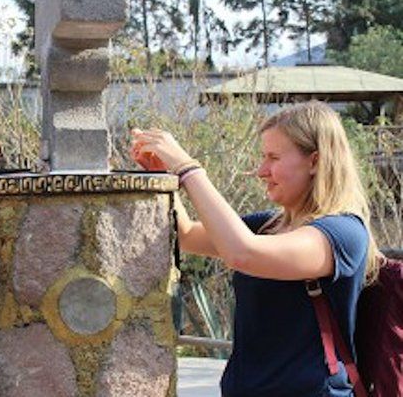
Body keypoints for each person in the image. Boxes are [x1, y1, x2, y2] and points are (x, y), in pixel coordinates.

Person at [131, 101, 380, 397]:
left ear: (315, 161)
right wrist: (163, 176)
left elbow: (242, 253)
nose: (262, 171)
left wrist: (188, 169)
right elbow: (186, 235)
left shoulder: (343, 233)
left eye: (273, 157)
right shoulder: (269, 226)